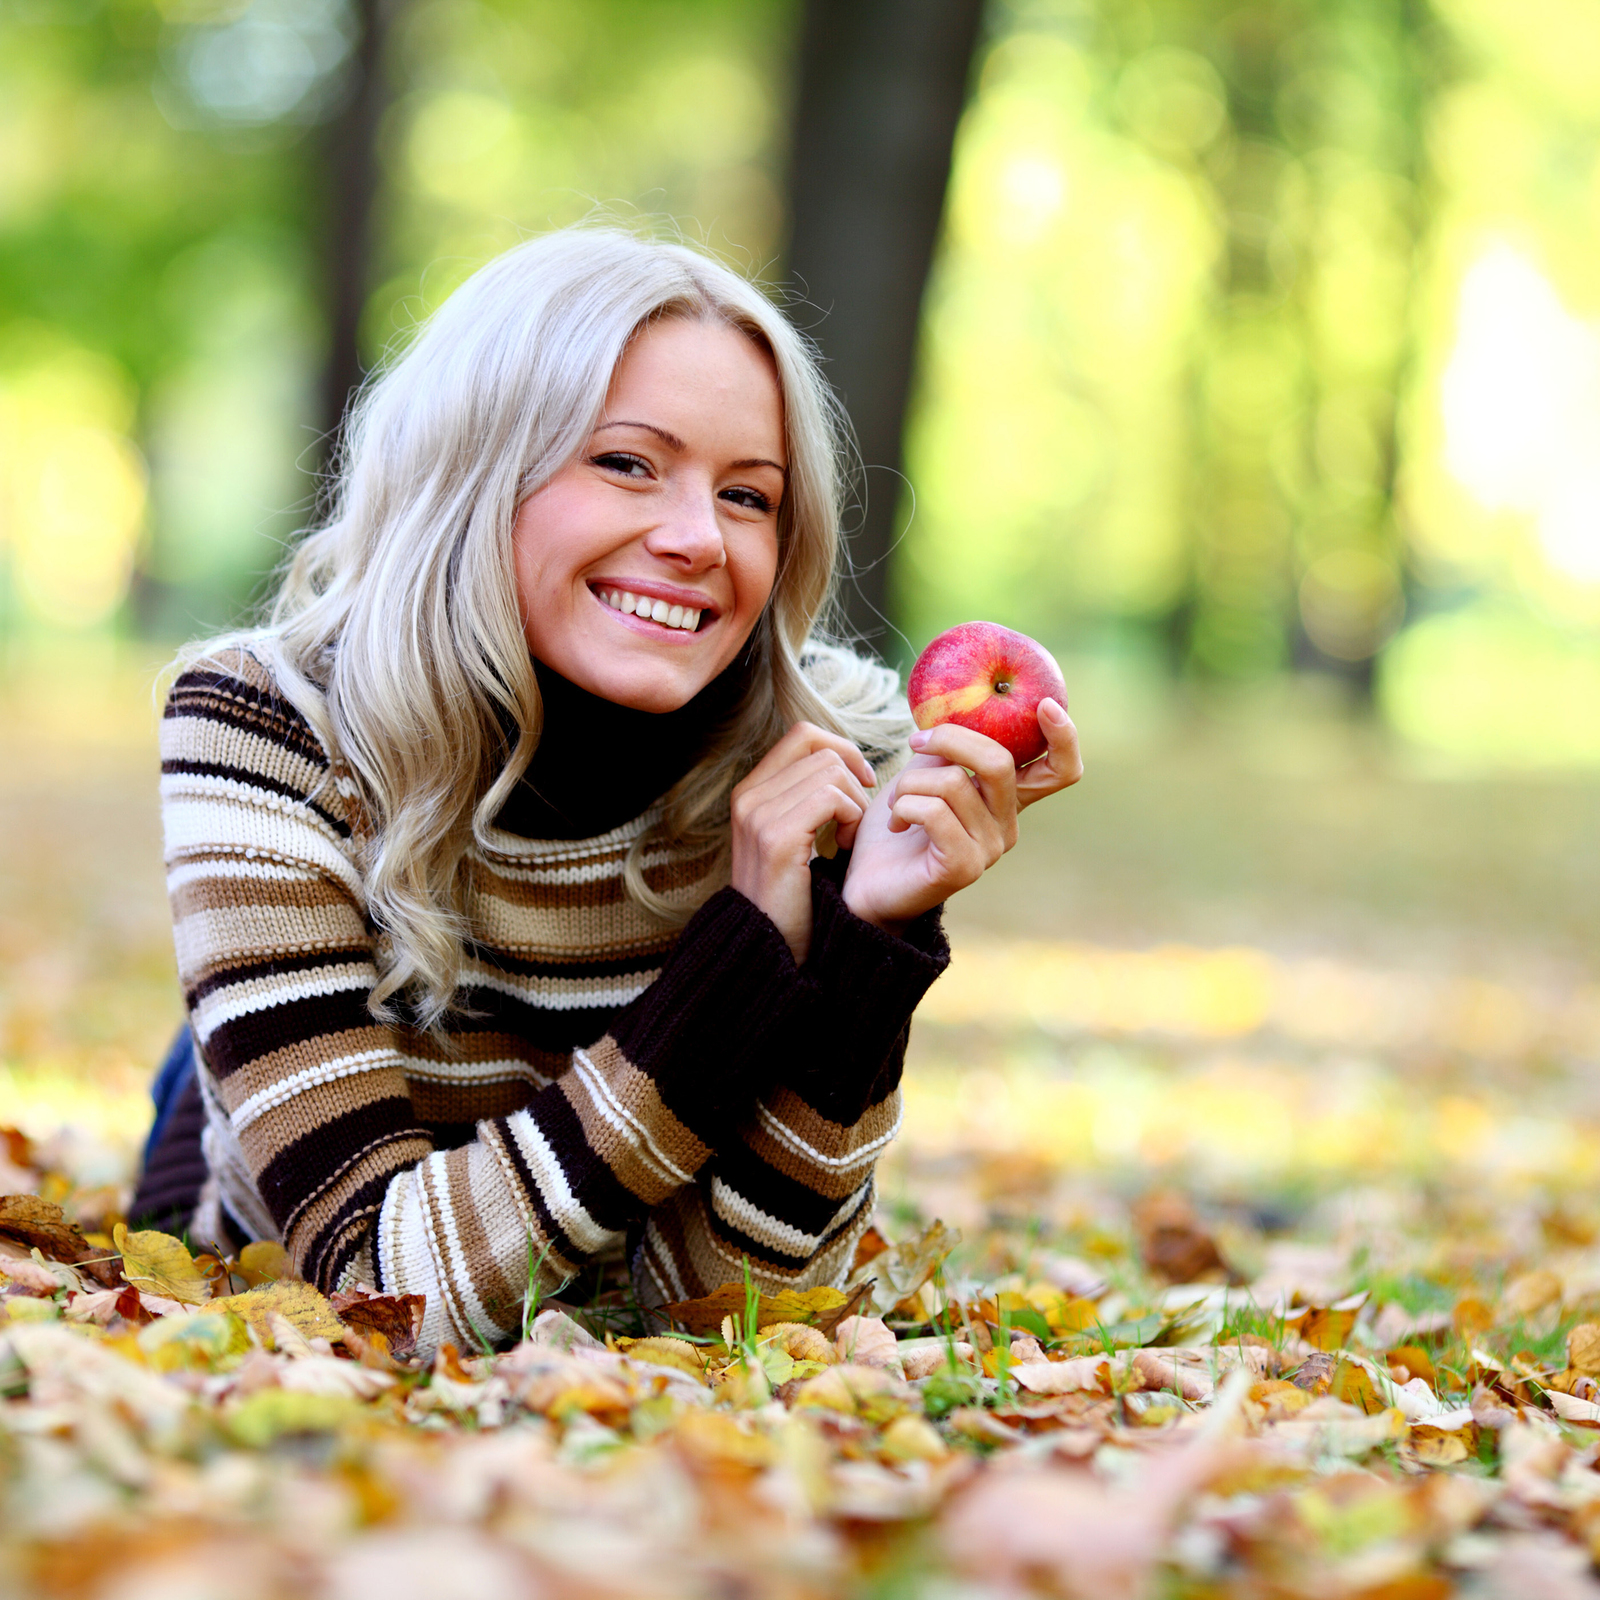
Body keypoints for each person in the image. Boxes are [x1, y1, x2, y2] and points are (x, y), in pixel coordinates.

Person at [131, 227, 1082, 1352]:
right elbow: (384, 1299)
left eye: (747, 495)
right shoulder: (267, 719)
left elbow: (733, 1309)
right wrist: (735, 965)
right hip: (274, 1171)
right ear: (477, 466)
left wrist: (864, 945)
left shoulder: (823, 759)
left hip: (545, 1195)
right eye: (627, 462)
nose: (694, 538)